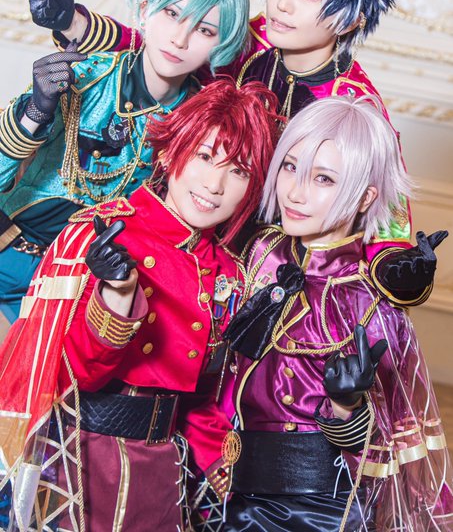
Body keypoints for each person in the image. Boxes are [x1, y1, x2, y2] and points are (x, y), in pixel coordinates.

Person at [29, 0, 442, 309]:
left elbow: (386, 212)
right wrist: (73, 22)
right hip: (178, 224)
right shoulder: (251, 38)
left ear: (352, 19)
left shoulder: (355, 104)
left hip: (263, 270)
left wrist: (397, 268)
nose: (282, 3)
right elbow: (162, 47)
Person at [0, 80, 281, 532]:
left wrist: (224, 466)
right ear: (169, 153)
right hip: (78, 470)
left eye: (239, 171)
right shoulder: (98, 234)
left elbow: (202, 399)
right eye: (204, 156)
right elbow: (64, 377)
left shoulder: (228, 271)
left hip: (165, 477)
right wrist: (117, 296)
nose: (214, 185)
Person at [222, 96, 452, 531]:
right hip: (222, 487)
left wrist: (346, 407)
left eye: (323, 178)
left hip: (316, 511)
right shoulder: (260, 252)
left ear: (365, 197)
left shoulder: (369, 302)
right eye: (290, 167)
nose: (295, 192)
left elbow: (380, 449)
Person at [0, 0, 249, 330]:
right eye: (172, 14)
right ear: (145, 10)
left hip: (77, 293)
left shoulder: (201, 125)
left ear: (221, 44)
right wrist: (34, 112)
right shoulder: (86, 76)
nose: (180, 39)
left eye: (204, 30)